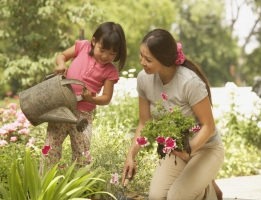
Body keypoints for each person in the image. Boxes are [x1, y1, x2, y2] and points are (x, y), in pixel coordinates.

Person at [122, 29, 225, 200]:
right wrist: (130, 156)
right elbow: (144, 124)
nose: (142, 62)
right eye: (141, 56)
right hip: (177, 151)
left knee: (177, 196)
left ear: (165, 60)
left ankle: (208, 192)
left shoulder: (189, 82)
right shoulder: (144, 79)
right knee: (156, 196)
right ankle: (205, 186)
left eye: (148, 59)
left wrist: (189, 149)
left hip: (206, 149)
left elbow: (208, 126)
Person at [40, 22, 127, 172]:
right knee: (51, 149)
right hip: (62, 108)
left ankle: (78, 190)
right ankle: (44, 186)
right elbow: (62, 55)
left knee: (81, 156)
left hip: (83, 116)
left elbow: (106, 98)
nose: (106, 56)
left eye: (112, 53)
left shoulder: (111, 71)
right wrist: (61, 65)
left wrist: (91, 99)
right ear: (94, 42)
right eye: (102, 50)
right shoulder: (83, 47)